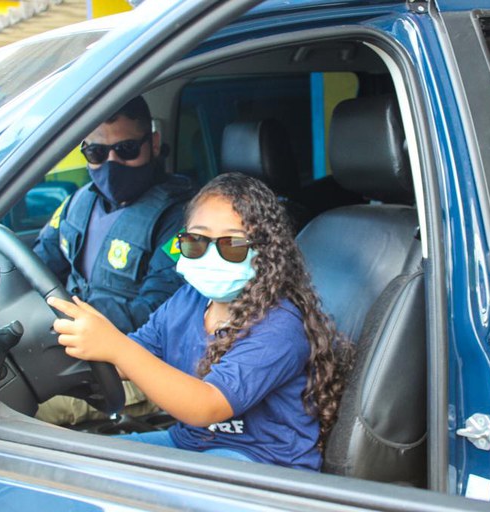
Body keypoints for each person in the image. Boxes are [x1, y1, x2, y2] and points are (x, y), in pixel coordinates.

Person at [47, 173, 350, 469]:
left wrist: (115, 347)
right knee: (86, 466)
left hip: (264, 464)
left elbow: (207, 406)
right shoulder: (187, 299)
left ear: (266, 253)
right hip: (190, 443)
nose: (211, 255)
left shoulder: (280, 325)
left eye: (232, 245)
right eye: (197, 241)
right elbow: (134, 357)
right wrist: (85, 345)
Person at [33, 96, 193, 424]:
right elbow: (36, 266)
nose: (110, 163)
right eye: (96, 152)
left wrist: (65, 325)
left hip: (138, 365)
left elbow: (155, 312)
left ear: (154, 143)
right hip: (75, 347)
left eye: (126, 150)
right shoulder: (77, 203)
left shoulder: (184, 219)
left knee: (29, 409)